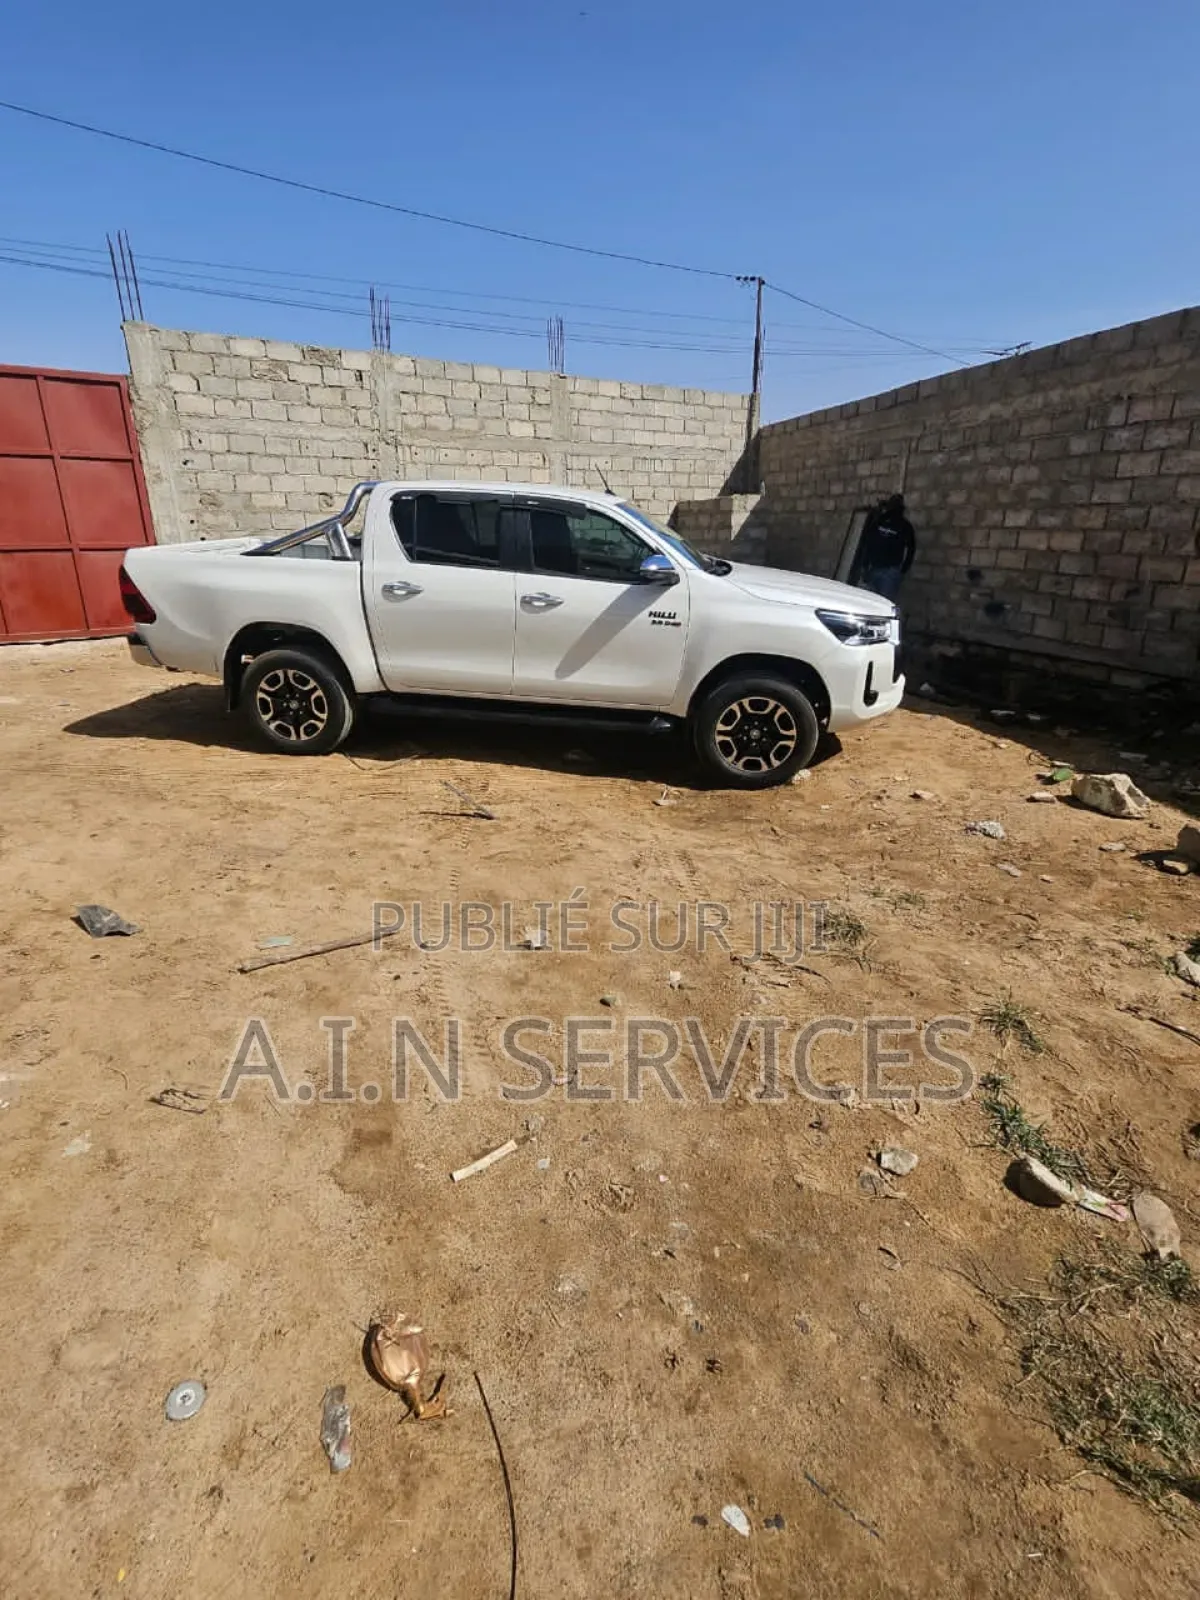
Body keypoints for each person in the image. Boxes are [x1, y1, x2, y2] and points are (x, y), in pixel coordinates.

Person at [855, 493, 915, 602]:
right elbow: (868, 542)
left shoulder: (904, 526)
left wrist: (903, 569)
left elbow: (911, 548)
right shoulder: (880, 521)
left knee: (884, 604)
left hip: (890, 571)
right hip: (874, 568)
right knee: (868, 603)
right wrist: (865, 565)